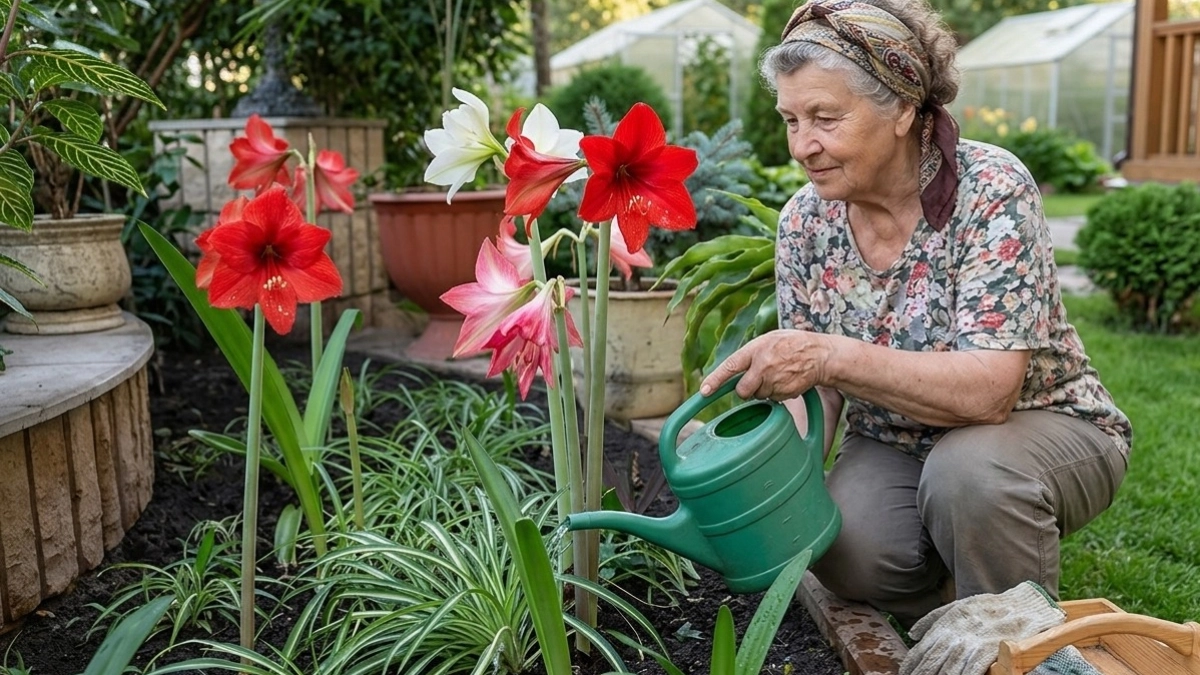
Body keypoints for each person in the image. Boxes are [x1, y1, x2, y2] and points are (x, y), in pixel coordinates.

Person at [699, 0, 1132, 627]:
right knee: (845, 550)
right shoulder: (805, 222)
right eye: (790, 120)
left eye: (825, 118)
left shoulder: (991, 190)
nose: (802, 146)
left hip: (1041, 424)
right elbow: (813, 394)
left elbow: (989, 394)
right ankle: (956, 589)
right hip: (894, 439)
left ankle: (1016, 643)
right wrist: (769, 487)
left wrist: (829, 355)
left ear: (903, 109)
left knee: (971, 478)